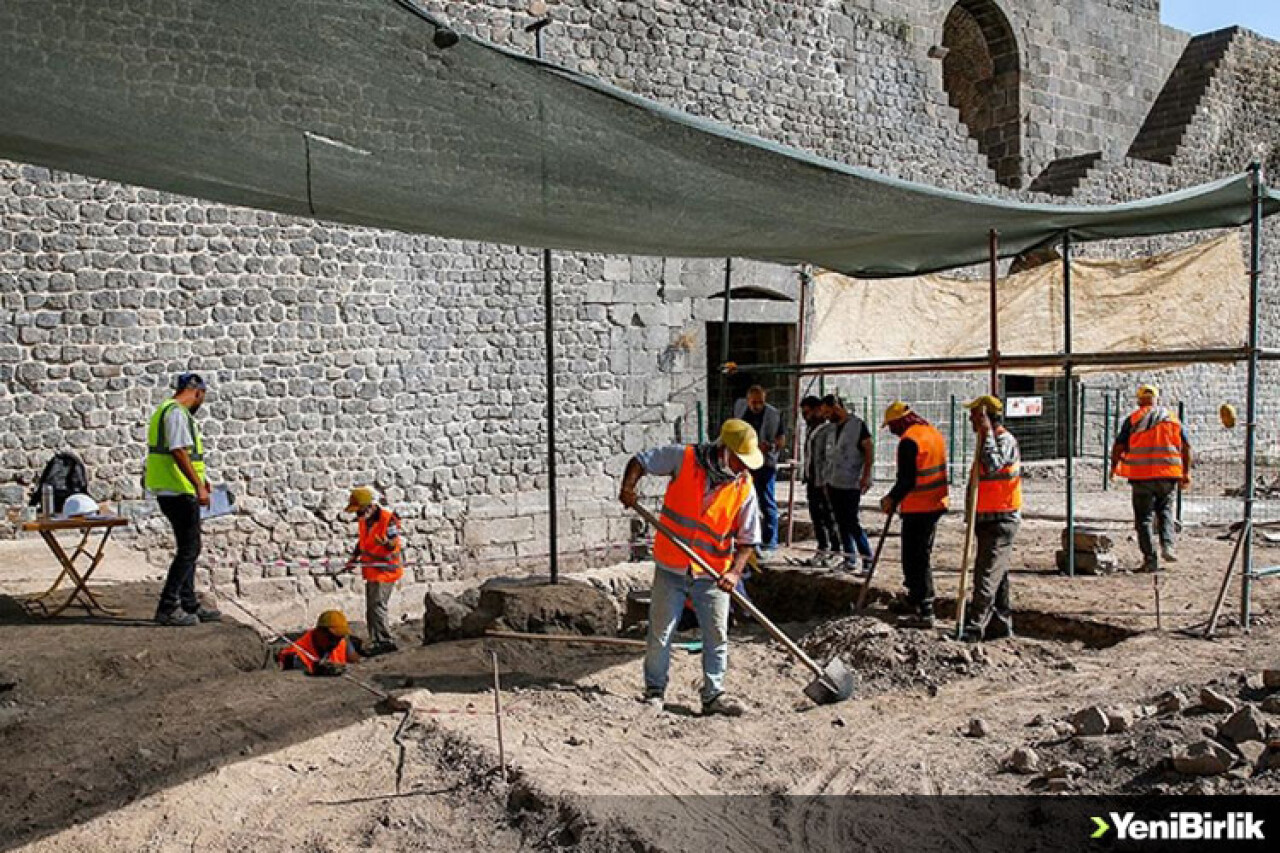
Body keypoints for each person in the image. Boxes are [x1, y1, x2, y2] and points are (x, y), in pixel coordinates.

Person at [618, 419, 763, 717]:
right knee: (660, 633)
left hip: (712, 574)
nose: (742, 467)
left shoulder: (744, 485)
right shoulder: (684, 458)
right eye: (739, 460)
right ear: (724, 450)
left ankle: (713, 695)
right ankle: (654, 692)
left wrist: (734, 572)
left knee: (716, 634)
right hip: (672, 566)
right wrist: (628, 486)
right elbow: (640, 461)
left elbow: (748, 539)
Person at [144, 372, 222, 627]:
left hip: (173, 489)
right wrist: (198, 485)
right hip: (177, 491)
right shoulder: (177, 413)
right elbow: (178, 451)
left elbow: (186, 455)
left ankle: (189, 604)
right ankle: (168, 606)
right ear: (197, 392)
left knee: (190, 548)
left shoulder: (165, 410)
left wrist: (202, 480)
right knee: (189, 550)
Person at [879, 401, 949, 628]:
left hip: (919, 506)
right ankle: (914, 598)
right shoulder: (932, 432)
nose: (891, 431)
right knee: (918, 554)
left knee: (916, 558)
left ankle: (925, 609)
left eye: (891, 426)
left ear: (900, 421)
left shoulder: (909, 440)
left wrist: (891, 499)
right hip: (935, 502)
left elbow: (907, 479)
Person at [1110, 384, 1192, 572]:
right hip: (1168, 476)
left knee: (1144, 519)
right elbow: (1187, 447)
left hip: (1141, 476)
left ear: (1139, 400)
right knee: (1165, 512)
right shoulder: (1172, 419)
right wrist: (1186, 473)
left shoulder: (1133, 419)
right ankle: (1168, 546)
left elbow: (1118, 446)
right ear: (1157, 399)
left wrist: (1114, 468)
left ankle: (1150, 559)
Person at [960, 396, 1021, 642]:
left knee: (985, 574)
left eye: (975, 415)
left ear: (986, 415)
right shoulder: (987, 440)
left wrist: (986, 434)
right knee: (998, 572)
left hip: (1001, 517)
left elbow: (993, 465)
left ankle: (974, 627)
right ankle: (1001, 622)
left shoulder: (1003, 440)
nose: (970, 419)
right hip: (987, 516)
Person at [344, 487, 404, 656]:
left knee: (378, 606)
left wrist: (386, 543)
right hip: (372, 571)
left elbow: (393, 542)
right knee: (371, 608)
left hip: (385, 571)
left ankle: (385, 642)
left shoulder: (388, 519)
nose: (357, 515)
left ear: (369, 506)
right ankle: (377, 640)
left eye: (359, 511)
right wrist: (353, 559)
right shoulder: (365, 520)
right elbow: (362, 542)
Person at [823, 394, 875, 574]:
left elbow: (868, 449)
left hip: (851, 482)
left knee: (852, 522)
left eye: (828, 412)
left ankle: (868, 559)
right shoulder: (832, 428)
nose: (826, 416)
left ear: (837, 407)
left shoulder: (857, 426)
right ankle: (849, 559)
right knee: (841, 522)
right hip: (834, 481)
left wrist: (866, 475)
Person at [732, 385, 786, 551]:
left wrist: (769, 446)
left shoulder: (773, 415)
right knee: (743, 501)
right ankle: (745, 539)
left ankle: (770, 542)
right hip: (744, 463)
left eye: (760, 402)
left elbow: (781, 440)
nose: (757, 406)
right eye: (754, 402)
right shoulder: (741, 410)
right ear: (748, 401)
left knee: (767, 502)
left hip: (765, 464)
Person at [800, 396, 840, 566]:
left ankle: (836, 549)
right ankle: (823, 547)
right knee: (816, 516)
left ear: (818, 410)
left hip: (824, 482)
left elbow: (828, 457)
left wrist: (826, 480)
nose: (805, 416)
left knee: (829, 516)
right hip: (812, 480)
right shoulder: (811, 429)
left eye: (808, 412)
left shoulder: (828, 430)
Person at [278, 610, 362, 676]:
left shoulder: (342, 642)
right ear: (319, 631)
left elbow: (357, 663)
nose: (335, 642)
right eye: (331, 638)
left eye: (339, 638)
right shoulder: (296, 654)